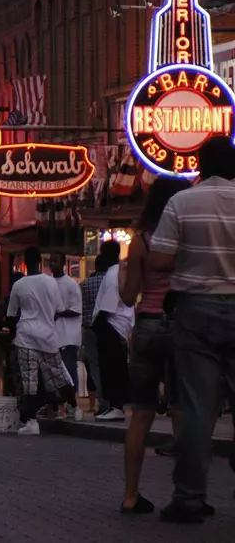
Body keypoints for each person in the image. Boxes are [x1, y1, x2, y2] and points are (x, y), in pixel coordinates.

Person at [145, 137, 235, 523]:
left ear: (199, 164)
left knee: (198, 409)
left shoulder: (182, 202)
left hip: (195, 311)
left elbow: (161, 260)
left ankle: (189, 498)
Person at [117, 176, 192, 515]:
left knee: (141, 415)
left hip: (147, 326)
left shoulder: (140, 243)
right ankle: (187, 495)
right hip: (181, 325)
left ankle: (131, 495)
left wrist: (126, 272)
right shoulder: (187, 241)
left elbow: (128, 296)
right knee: (182, 410)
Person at [6, 250, 77, 435]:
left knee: (30, 380)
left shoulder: (19, 284)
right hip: (48, 337)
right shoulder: (51, 282)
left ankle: (31, 422)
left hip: (26, 336)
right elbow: (59, 309)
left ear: (23, 262)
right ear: (40, 262)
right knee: (59, 374)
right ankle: (74, 407)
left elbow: (11, 315)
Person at [91, 240, 133, 423]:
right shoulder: (117, 272)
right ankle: (114, 406)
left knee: (111, 368)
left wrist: (95, 327)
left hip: (111, 325)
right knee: (115, 367)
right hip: (118, 326)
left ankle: (116, 407)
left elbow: (107, 308)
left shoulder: (113, 275)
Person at [50, 251, 84, 418]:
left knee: (69, 370)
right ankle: (59, 405)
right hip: (53, 336)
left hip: (68, 335)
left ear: (63, 263)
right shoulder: (48, 283)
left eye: (56, 260)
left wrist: (58, 313)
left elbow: (77, 310)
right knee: (55, 372)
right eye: (51, 261)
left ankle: (73, 404)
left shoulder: (71, 285)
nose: (52, 264)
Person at [80, 247, 112, 417]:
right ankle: (112, 402)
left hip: (89, 328)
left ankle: (102, 401)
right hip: (108, 327)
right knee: (109, 364)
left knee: (94, 367)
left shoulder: (85, 284)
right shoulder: (110, 282)